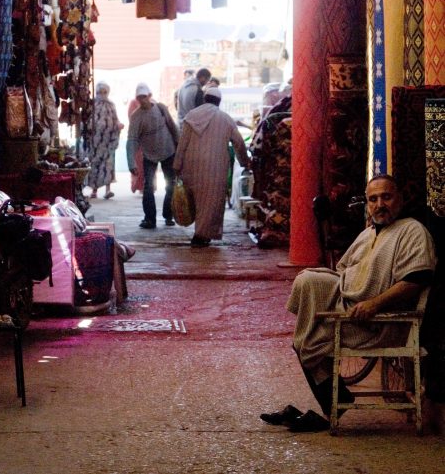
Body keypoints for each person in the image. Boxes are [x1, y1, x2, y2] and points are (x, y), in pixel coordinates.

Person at [260, 174, 436, 432]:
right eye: (373, 199)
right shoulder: (368, 234)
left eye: (386, 197)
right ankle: (336, 401)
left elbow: (416, 279)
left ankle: (333, 407)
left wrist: (374, 304)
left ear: (399, 198)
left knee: (306, 341)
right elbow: (343, 272)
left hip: (380, 322)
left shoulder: (412, 230)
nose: (379, 204)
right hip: (350, 310)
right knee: (307, 283)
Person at [173, 87, 250, 246]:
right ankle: (201, 236)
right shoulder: (225, 119)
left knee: (195, 200)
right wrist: (244, 163)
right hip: (215, 168)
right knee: (209, 202)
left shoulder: (191, 116)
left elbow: (182, 144)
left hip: (191, 165)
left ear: (205, 99)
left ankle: (201, 234)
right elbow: (239, 144)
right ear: (219, 102)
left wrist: (177, 165)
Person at [126, 83, 179, 229]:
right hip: (149, 154)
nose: (142, 100)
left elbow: (172, 127)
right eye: (139, 97)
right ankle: (150, 219)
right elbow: (132, 140)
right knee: (148, 186)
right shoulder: (136, 117)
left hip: (168, 151)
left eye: (144, 96)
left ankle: (169, 215)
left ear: (149, 96)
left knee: (171, 185)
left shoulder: (161, 108)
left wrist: (179, 147)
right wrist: (131, 163)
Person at [88, 81, 124, 199]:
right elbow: (86, 119)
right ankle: (94, 190)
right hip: (95, 142)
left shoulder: (111, 105)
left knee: (108, 165)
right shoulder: (92, 104)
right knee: (95, 164)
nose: (102, 94)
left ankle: (108, 190)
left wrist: (118, 125)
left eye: (104, 92)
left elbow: (115, 118)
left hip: (108, 141)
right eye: (100, 92)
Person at [127, 97, 145, 195]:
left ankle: (145, 186)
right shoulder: (133, 103)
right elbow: (131, 118)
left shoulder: (152, 103)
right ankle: (137, 185)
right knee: (137, 164)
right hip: (137, 138)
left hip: (147, 140)